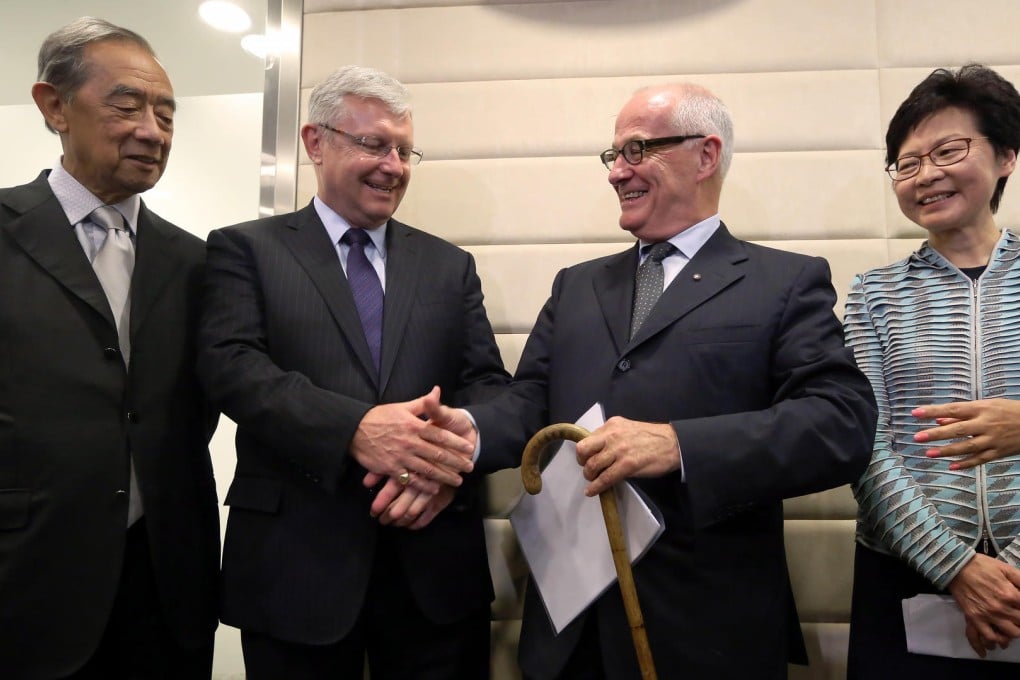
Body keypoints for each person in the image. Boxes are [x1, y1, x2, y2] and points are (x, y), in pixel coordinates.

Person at [408, 82, 877, 679]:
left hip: (705, 632)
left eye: (635, 150)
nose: (615, 173)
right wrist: (465, 431)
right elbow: (530, 402)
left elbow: (841, 424)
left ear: (706, 155)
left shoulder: (784, 283)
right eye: (613, 156)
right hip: (569, 630)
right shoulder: (575, 285)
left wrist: (679, 445)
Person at [196, 65, 510, 679]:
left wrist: (443, 463)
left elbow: (492, 389)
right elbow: (230, 366)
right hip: (295, 569)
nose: (392, 165)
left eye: (403, 149)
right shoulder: (246, 250)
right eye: (373, 144)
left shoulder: (449, 266)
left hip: (434, 565)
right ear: (316, 143)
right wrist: (354, 429)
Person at [0, 17, 220, 679]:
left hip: (167, 588)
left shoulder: (198, 263)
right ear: (54, 106)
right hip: (25, 581)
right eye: (126, 106)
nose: (152, 131)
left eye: (166, 114)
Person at [844, 64, 1020, 678]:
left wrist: (1009, 577)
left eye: (948, 150)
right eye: (908, 163)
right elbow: (862, 443)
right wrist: (956, 567)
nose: (927, 175)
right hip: (904, 569)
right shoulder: (872, 295)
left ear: (1005, 157)